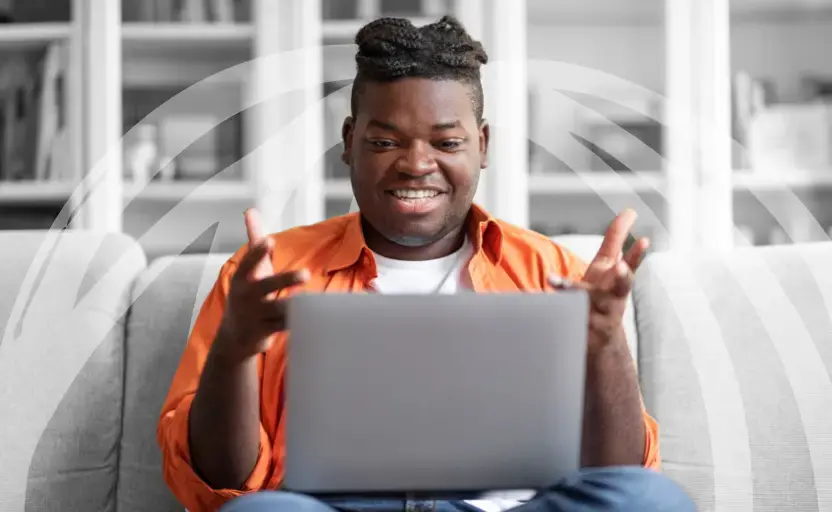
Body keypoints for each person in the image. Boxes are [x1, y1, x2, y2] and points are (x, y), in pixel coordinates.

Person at [157, 15, 694, 512]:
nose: (417, 164)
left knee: (648, 498)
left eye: (447, 141)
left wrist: (606, 344)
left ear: (481, 146)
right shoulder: (266, 276)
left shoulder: (551, 271)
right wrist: (235, 349)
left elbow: (618, 474)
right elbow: (213, 487)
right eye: (386, 141)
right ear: (350, 143)